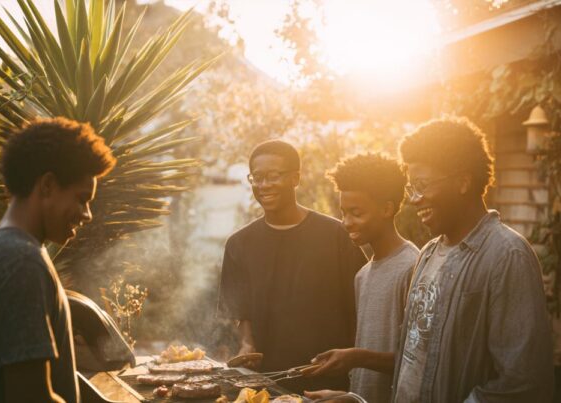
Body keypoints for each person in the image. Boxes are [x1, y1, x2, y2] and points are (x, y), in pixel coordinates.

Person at [392, 117, 554, 402]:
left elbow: (522, 383)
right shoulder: (428, 253)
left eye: (422, 184)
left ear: (463, 182)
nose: (415, 199)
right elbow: (414, 359)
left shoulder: (507, 257)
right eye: (411, 188)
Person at [0, 117, 116, 403]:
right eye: (82, 198)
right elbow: (30, 396)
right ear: (47, 185)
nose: (87, 214)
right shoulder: (20, 262)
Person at [218, 140, 366, 393]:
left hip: (329, 383)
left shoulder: (336, 235)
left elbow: (361, 308)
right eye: (257, 177)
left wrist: (353, 369)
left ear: (295, 178)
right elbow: (241, 312)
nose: (264, 185)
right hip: (266, 384)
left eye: (273, 176)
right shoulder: (239, 244)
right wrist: (247, 345)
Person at [303, 153, 419, 403]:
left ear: (387, 209)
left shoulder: (414, 267)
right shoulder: (362, 275)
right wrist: (347, 396)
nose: (346, 222)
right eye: (343, 212)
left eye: (356, 213)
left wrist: (356, 357)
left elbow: (421, 360)